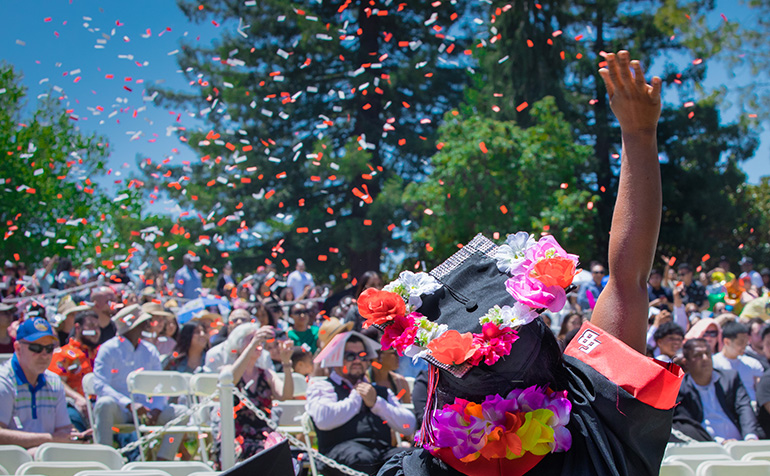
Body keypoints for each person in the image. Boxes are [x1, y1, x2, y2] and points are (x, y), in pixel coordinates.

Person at [376, 51, 684, 476]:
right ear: (550, 355)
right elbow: (628, 279)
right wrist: (640, 132)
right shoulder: (601, 428)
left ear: (439, 389)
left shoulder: (413, 473)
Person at [307, 332, 415, 476]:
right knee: (362, 458)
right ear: (337, 358)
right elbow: (323, 420)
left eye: (363, 356)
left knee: (411, 457)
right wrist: (356, 398)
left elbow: (408, 426)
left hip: (380, 452)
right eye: (350, 356)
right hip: (342, 454)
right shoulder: (323, 387)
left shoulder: (379, 391)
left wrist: (376, 403)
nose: (358, 360)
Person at [92, 304, 184, 459]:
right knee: (104, 404)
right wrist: (128, 403)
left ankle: (163, 460)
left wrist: (156, 407)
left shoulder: (150, 350)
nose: (146, 325)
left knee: (181, 412)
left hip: (147, 411)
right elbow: (100, 385)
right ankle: (105, 458)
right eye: (142, 322)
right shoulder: (108, 349)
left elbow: (159, 383)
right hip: (120, 410)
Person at [0, 316, 90, 450]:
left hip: (46, 458)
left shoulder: (53, 381)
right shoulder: (4, 382)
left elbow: (63, 430)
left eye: (49, 348)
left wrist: (77, 437)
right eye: (36, 348)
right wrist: (50, 439)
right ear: (18, 348)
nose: (44, 354)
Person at [215, 323, 293, 464]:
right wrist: (253, 344)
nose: (258, 343)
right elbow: (232, 379)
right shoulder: (228, 370)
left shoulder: (266, 373)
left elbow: (285, 395)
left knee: (284, 454)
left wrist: (286, 362)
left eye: (258, 339)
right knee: (264, 455)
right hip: (235, 438)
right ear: (239, 344)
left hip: (263, 437)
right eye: (250, 339)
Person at [672, 338, 760, 443]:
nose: (705, 358)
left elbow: (744, 407)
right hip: (704, 447)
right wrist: (718, 441)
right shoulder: (680, 388)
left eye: (707, 354)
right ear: (686, 363)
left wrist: (750, 436)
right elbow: (685, 424)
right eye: (698, 355)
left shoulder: (730, 379)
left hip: (741, 443)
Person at [48, 309, 101, 431]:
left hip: (101, 403)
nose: (96, 331)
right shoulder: (63, 354)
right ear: (78, 328)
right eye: (91, 326)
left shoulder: (102, 353)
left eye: (98, 327)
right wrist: (77, 398)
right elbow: (56, 381)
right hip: (75, 405)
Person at [711, 321, 764, 402]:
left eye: (746, 342)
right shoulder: (714, 363)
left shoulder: (752, 364)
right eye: (740, 342)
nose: (744, 346)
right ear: (727, 342)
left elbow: (762, 390)